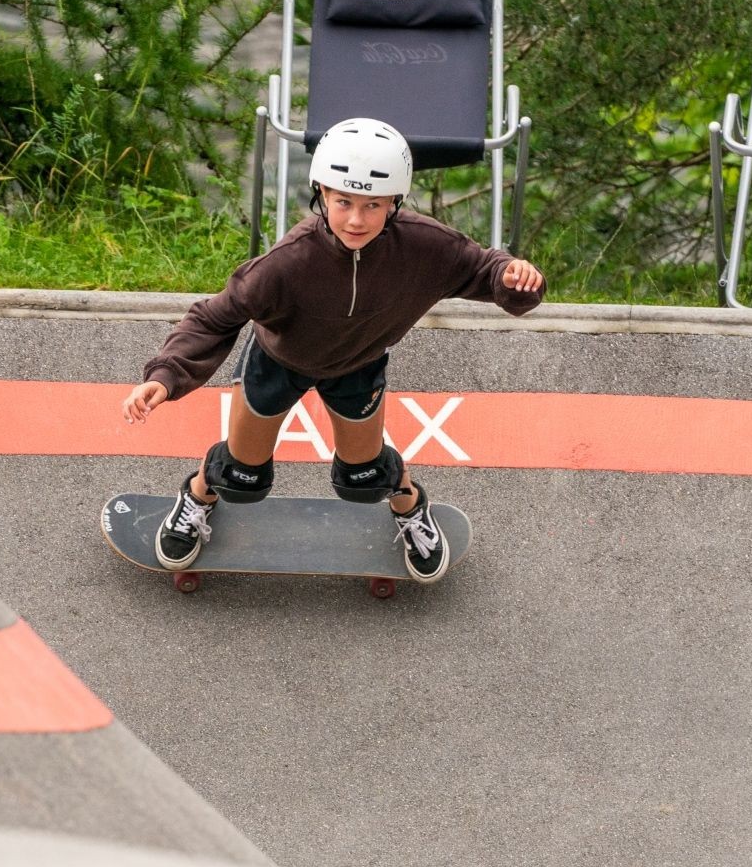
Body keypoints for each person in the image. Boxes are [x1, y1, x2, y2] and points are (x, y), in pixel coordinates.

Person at [119, 117, 545, 583]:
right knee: (241, 477)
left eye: (373, 205)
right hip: (278, 362)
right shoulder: (286, 264)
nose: (356, 219)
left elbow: (486, 268)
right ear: (321, 192)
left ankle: (411, 507)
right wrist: (165, 375)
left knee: (364, 479)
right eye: (343, 202)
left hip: (357, 366)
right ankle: (198, 496)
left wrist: (514, 279)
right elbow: (213, 317)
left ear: (395, 202)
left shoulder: (426, 248)